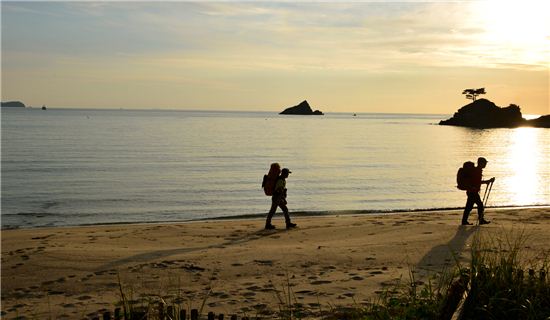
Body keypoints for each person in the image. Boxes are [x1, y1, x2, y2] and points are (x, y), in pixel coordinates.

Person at [461, 157, 495, 225]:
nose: (485, 164)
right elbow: (477, 182)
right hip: (473, 192)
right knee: (479, 205)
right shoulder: (477, 171)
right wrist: (487, 181)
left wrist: (487, 181)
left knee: (469, 206)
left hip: (471, 191)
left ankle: (464, 221)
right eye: (484, 163)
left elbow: (477, 182)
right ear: (481, 163)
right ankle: (480, 220)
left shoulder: (477, 170)